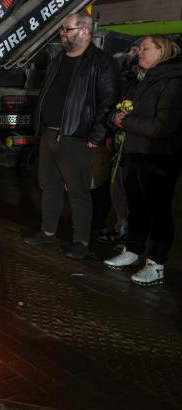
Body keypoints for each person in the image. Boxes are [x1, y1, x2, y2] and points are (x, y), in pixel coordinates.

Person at [23, 13, 120, 260]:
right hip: (49, 135)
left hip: (77, 137)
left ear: (85, 31)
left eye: (67, 29)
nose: (62, 34)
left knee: (78, 192)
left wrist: (96, 136)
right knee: (49, 186)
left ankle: (81, 242)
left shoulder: (101, 62)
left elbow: (108, 102)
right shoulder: (59, 59)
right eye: (62, 30)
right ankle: (47, 232)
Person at [103, 35, 182, 286]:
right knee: (135, 206)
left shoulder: (173, 81)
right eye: (139, 49)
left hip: (158, 157)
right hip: (134, 151)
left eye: (145, 49)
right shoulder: (142, 78)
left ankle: (156, 264)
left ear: (163, 51)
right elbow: (125, 107)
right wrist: (117, 117)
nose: (140, 53)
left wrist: (123, 121)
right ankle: (132, 250)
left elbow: (162, 126)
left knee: (157, 210)